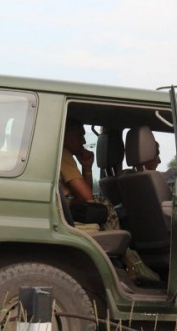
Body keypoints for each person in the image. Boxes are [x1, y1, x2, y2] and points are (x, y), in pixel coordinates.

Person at [60, 121, 160, 285]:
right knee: (102, 204)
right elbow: (87, 197)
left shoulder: (63, 155)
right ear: (66, 133)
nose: (84, 141)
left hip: (70, 213)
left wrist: (87, 167)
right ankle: (130, 265)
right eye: (80, 135)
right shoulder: (63, 154)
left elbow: (85, 195)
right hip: (68, 216)